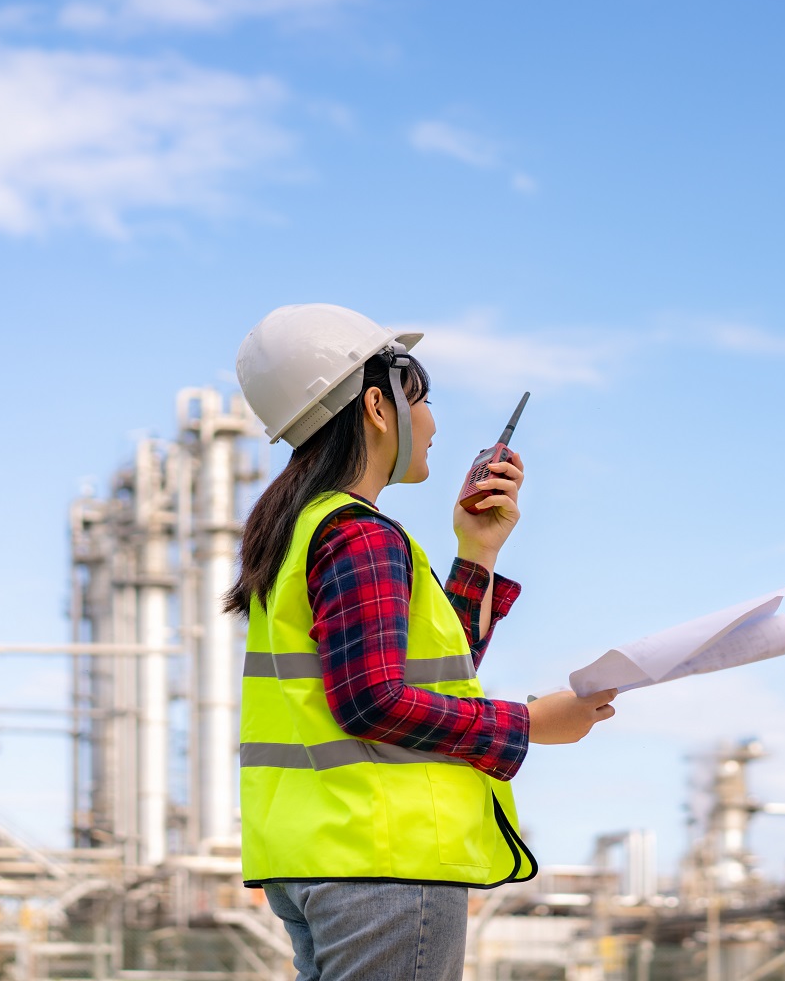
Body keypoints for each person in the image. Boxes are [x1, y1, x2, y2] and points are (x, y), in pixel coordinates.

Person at [226, 304, 619, 981]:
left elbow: (420, 674)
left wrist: (477, 551)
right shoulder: (361, 534)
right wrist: (528, 724)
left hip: (320, 856)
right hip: (384, 862)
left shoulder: (305, 527)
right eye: (424, 400)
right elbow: (373, 701)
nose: (433, 423)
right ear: (377, 407)